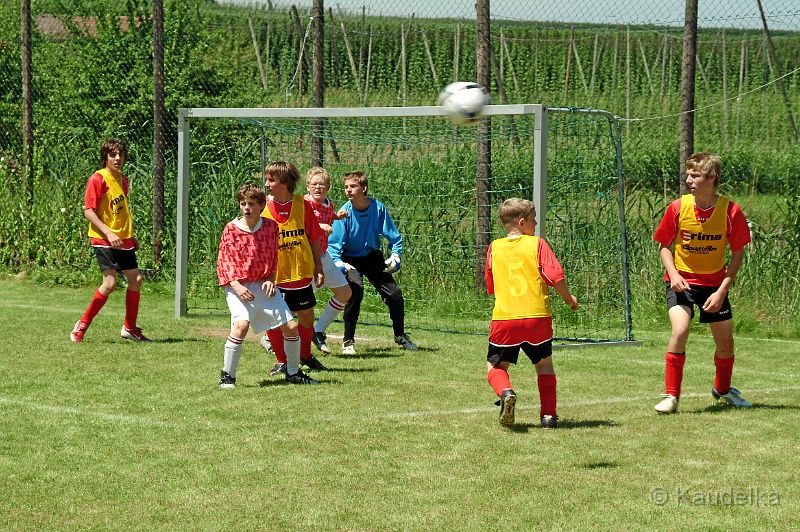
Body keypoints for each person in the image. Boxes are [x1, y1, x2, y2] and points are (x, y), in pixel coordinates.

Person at [652, 152, 752, 414]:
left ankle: (723, 389)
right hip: (681, 281)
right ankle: (671, 396)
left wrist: (722, 291)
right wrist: (674, 275)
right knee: (681, 329)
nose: (688, 180)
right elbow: (664, 246)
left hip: (714, 285)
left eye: (694, 175)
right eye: (688, 174)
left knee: (726, 344)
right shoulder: (677, 207)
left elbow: (738, 253)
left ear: (711, 178)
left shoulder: (731, 210)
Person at [485, 198, 578, 428]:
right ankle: (548, 416)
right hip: (537, 317)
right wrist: (569, 299)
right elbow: (555, 276)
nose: (536, 224)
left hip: (505, 318)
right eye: (534, 219)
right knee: (544, 364)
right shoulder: (537, 244)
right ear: (522, 221)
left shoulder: (494, 248)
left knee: (496, 367)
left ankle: (506, 392)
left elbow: (491, 286)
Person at [216, 184, 317, 387]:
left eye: (252, 204)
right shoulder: (232, 228)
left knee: (290, 326)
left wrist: (271, 279)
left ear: (262, 206)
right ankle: (227, 376)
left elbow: (273, 259)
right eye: (243, 204)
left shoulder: (271, 227)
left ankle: (294, 372)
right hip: (239, 287)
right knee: (241, 326)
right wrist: (236, 286)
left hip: (263, 285)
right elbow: (224, 262)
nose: (246, 208)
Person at [70, 138, 151, 343]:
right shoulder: (98, 179)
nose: (118, 158)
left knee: (136, 279)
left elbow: (120, 212)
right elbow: (89, 212)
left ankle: (130, 328)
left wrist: (130, 236)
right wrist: (108, 233)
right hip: (103, 238)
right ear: (105, 158)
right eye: (113, 154)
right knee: (110, 283)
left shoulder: (123, 181)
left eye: (121, 154)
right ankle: (81, 326)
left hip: (122, 239)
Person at [328, 171, 417, 354]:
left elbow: (394, 236)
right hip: (349, 258)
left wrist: (396, 255)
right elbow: (334, 244)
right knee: (355, 291)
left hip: (372, 257)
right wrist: (339, 263)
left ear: (364, 188)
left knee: (394, 295)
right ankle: (348, 341)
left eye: (353, 186)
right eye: (346, 187)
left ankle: (400, 335)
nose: (348, 190)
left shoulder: (378, 208)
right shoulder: (344, 213)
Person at [259, 161, 328, 376]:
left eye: (271, 179)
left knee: (306, 316)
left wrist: (318, 266)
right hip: (274, 275)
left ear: (285, 182)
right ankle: (282, 360)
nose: (267, 183)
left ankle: (305, 355)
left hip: (299, 271)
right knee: (273, 319)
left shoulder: (302, 204)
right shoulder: (263, 208)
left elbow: (314, 237)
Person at [303, 167, 352, 354]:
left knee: (345, 293)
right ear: (307, 187)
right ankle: (272, 336)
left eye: (321, 184)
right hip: (308, 258)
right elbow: (301, 226)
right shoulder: (304, 204)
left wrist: (336, 217)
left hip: (324, 256)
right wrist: (319, 226)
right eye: (314, 184)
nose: (317, 188)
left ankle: (318, 330)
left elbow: (327, 215)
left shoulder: (327, 203)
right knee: (299, 302)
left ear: (328, 188)